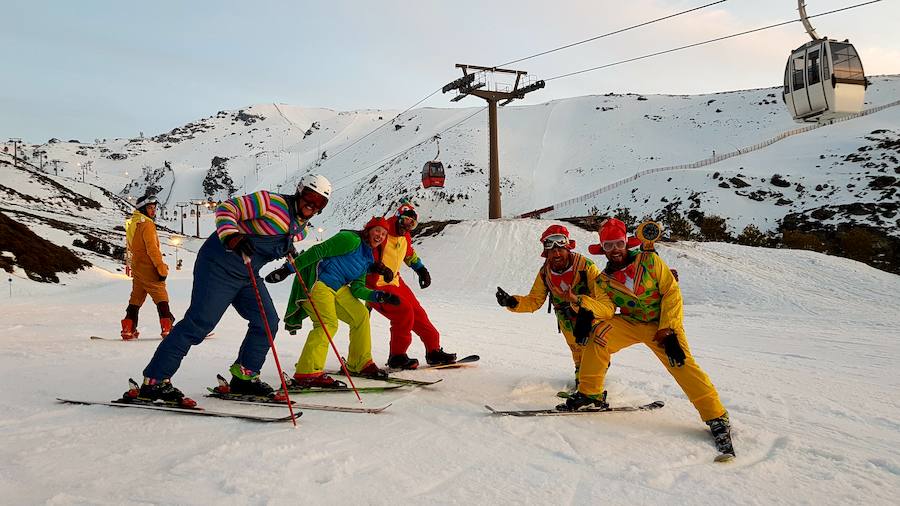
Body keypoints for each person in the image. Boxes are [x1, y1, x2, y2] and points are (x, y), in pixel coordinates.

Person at [125, 174, 333, 407]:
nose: (312, 205)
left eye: (320, 203)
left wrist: (288, 251)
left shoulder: (300, 229)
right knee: (199, 324)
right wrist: (232, 236)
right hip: (218, 265)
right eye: (309, 197)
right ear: (299, 191)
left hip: (247, 274)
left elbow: (273, 237)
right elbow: (228, 208)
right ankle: (155, 380)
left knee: (267, 321)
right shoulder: (270, 202)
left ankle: (245, 376)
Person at [561, 217, 733, 454]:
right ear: (602, 249)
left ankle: (716, 416)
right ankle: (591, 394)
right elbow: (607, 309)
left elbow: (671, 292)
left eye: (618, 244)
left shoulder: (650, 261)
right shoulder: (603, 280)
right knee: (599, 335)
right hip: (632, 322)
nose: (615, 250)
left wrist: (669, 327)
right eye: (608, 246)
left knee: (680, 361)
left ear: (626, 243)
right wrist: (582, 304)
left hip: (662, 323)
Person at [269, 217, 397, 387]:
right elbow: (318, 250)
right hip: (318, 281)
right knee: (327, 323)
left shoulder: (367, 258)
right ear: (368, 230)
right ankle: (307, 372)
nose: (380, 236)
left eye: (383, 234)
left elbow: (357, 288)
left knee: (361, 315)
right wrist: (288, 269)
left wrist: (380, 296)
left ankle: (359, 364)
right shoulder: (351, 239)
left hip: (339, 288)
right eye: (377, 231)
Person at [495, 225, 614, 389]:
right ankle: (582, 382)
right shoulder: (545, 273)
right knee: (577, 351)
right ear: (546, 252)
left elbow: (602, 296)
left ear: (568, 248)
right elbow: (535, 300)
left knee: (593, 348)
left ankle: (592, 384)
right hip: (566, 319)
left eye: (561, 249)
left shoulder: (585, 266)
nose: (557, 254)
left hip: (587, 316)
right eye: (552, 250)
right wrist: (512, 302)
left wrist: (586, 310)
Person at [367, 202, 455, 370]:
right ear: (397, 218)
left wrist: (421, 269)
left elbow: (409, 255)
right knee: (404, 311)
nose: (407, 226)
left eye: (412, 224)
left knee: (418, 312)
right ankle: (397, 356)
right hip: (376, 284)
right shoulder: (382, 232)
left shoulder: (405, 236)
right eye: (405, 221)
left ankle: (433, 350)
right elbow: (365, 252)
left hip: (395, 281)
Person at [121, 194, 174, 340]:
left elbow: (131, 246)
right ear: (142, 209)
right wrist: (160, 267)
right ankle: (167, 327)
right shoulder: (147, 225)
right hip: (149, 266)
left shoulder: (133, 223)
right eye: (150, 208)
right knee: (161, 297)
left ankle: (128, 328)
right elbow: (152, 248)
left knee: (136, 299)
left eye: (154, 208)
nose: (153, 211)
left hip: (137, 267)